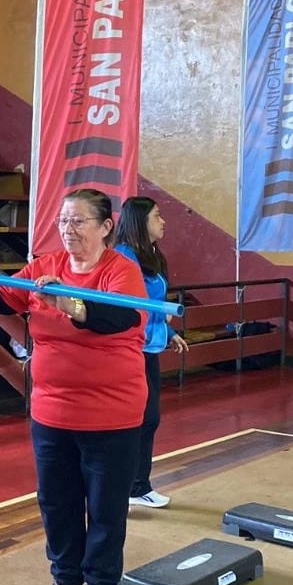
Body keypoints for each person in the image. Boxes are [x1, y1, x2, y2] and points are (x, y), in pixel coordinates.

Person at [0, 188, 148, 585]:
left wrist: (68, 303)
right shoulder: (44, 268)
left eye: (79, 222)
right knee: (57, 501)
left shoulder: (120, 271)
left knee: (105, 507)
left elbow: (120, 318)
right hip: (52, 412)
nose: (68, 231)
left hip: (111, 414)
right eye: (63, 222)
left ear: (106, 227)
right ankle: (66, 580)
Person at [115, 197, 189, 509]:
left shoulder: (153, 255)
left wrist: (169, 331)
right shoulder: (123, 257)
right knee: (139, 419)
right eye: (157, 216)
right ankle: (126, 488)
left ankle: (136, 486)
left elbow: (155, 302)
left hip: (150, 347)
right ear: (139, 221)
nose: (163, 221)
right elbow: (134, 304)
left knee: (149, 419)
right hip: (129, 349)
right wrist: (164, 317)